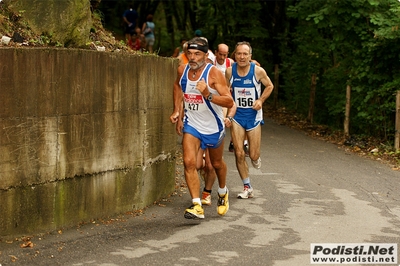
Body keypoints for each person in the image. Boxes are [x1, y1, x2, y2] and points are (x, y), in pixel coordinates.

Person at [170, 37, 234, 219]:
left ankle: (222, 191)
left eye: (197, 54)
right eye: (189, 53)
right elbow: (177, 86)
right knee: (189, 162)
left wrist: (208, 94)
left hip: (213, 127)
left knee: (216, 164)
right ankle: (197, 205)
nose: (192, 57)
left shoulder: (214, 74)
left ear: (206, 56)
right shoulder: (182, 70)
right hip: (193, 125)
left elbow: (229, 101)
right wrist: (176, 110)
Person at [225, 41, 274, 199]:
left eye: (245, 54)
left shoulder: (258, 71)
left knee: (253, 155)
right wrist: (226, 114)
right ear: (235, 55)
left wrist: (260, 100)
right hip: (237, 117)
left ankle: (255, 157)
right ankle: (247, 186)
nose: (242, 56)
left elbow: (270, 86)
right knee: (239, 153)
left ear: (250, 56)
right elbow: (225, 92)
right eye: (239, 53)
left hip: (253, 117)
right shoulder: (229, 72)